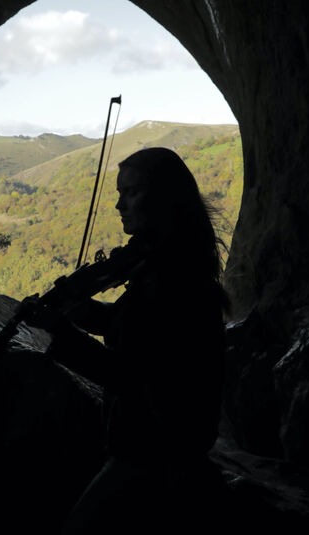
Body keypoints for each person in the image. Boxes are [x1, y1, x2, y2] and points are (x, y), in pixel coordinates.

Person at [24, 147, 229, 533]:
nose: (119, 205)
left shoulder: (170, 279)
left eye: (131, 193)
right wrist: (83, 313)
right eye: (120, 193)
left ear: (164, 198)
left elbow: (129, 374)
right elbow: (136, 328)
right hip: (156, 443)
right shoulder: (170, 262)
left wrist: (61, 332)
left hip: (156, 452)